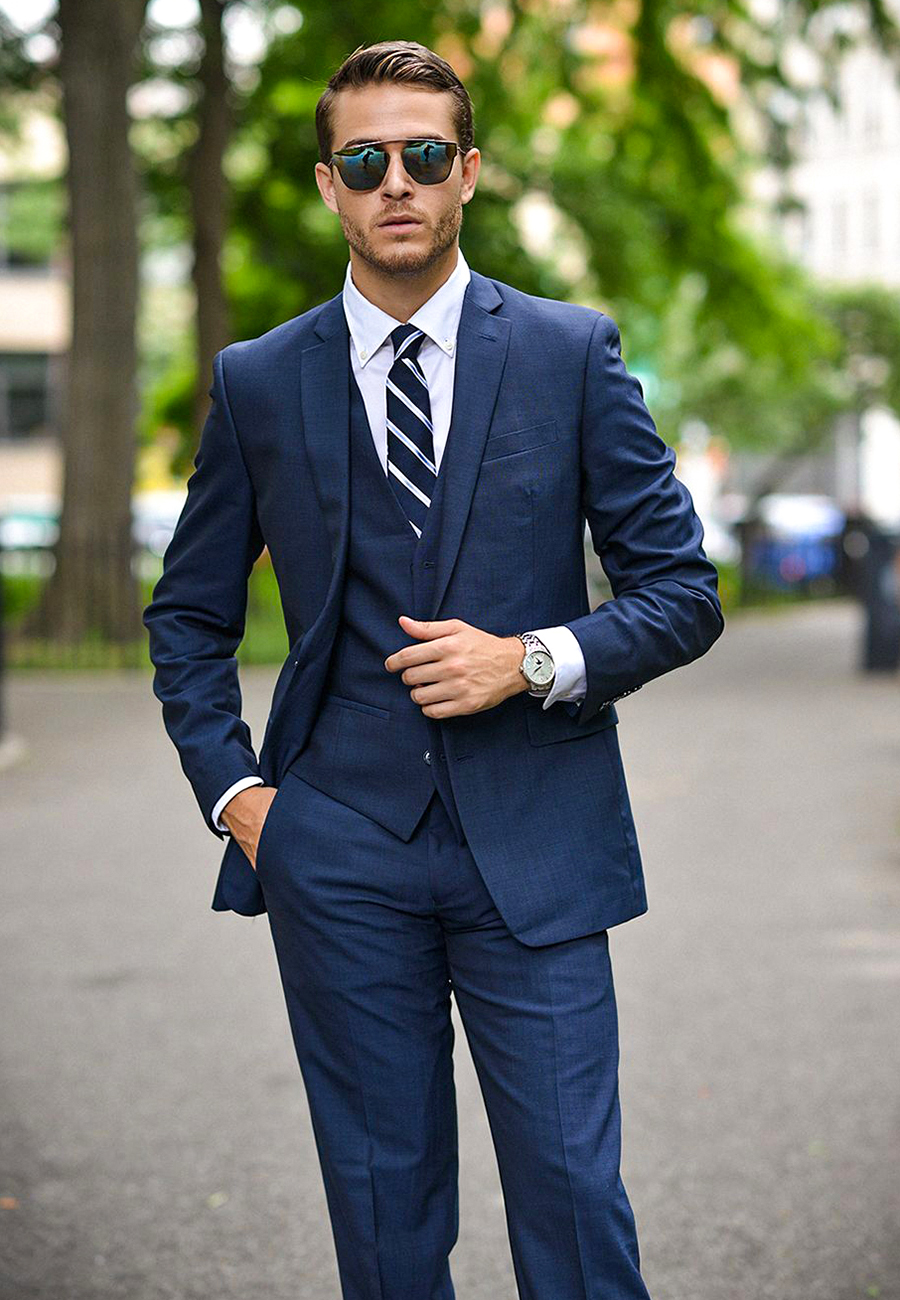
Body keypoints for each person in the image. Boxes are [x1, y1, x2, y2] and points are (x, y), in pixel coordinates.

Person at [143, 38, 724, 1300]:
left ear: (468, 172)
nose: (392, 181)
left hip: (540, 841)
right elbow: (185, 619)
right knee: (383, 1211)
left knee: (573, 1196)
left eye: (419, 155)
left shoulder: (570, 354)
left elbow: (683, 592)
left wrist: (534, 658)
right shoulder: (257, 382)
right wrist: (239, 799)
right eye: (364, 159)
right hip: (336, 845)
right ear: (328, 185)